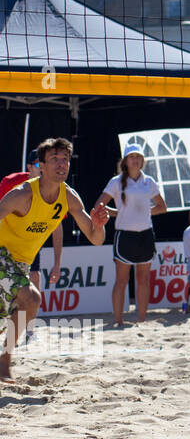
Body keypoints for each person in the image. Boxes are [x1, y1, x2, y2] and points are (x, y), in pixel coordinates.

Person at [0, 137, 109, 381]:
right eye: (54, 159)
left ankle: (4, 358)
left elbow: (95, 238)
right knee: (32, 298)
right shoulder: (23, 193)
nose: (61, 164)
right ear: (41, 165)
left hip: (20, 264)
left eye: (65, 159)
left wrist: (100, 225)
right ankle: (4, 361)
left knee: (28, 304)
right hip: (1, 255)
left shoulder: (69, 197)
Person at [96, 143, 167, 326]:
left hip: (145, 235)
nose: (135, 160)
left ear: (142, 160)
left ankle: (141, 320)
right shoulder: (116, 182)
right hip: (124, 236)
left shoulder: (148, 181)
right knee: (121, 280)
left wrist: (143, 211)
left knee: (143, 279)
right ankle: (118, 320)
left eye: (138, 157)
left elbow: (162, 207)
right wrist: (117, 213)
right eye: (131, 157)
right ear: (125, 161)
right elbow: (99, 206)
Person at [0, 149, 62, 291]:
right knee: (12, 291)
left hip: (30, 241)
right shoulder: (11, 182)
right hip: (6, 243)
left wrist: (57, 264)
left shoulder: (54, 188)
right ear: (29, 167)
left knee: (32, 283)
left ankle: (25, 314)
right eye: (39, 165)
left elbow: (57, 228)